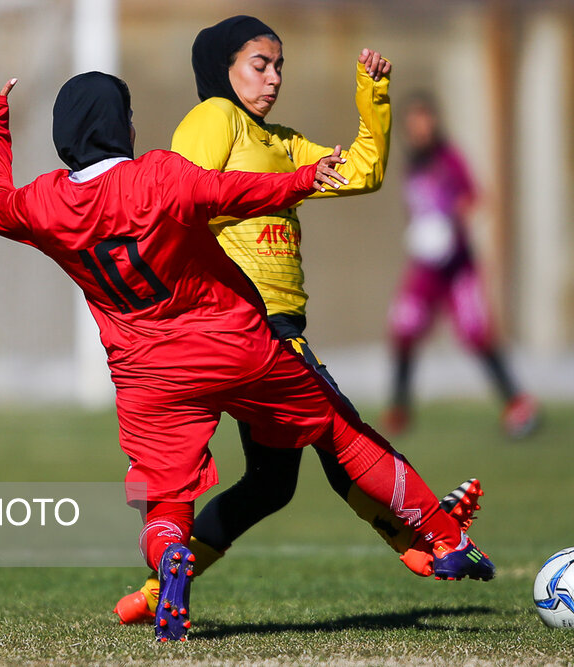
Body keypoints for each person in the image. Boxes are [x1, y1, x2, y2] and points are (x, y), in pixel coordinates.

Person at [0, 51, 494, 643]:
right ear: (122, 126)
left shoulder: (42, 203)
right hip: (235, 346)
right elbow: (228, 192)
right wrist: (300, 179)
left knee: (166, 497)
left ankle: (168, 561)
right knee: (336, 431)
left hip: (148, 376)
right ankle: (446, 540)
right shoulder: (158, 176)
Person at [114, 16, 485, 626]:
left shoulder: (282, 142)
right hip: (249, 329)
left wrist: (374, 98)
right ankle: (430, 538)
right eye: (259, 64)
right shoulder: (214, 119)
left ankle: (157, 593)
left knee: (271, 484)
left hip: (265, 331)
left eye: (279, 65)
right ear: (221, 69)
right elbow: (182, 201)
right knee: (341, 430)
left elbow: (363, 172)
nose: (274, 77)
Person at [382, 92, 541, 439]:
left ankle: (516, 401)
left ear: (434, 123)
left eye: (424, 121)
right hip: (424, 269)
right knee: (404, 329)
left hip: (457, 267)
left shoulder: (449, 159)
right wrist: (420, 233)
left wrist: (449, 224)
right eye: (413, 124)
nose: (419, 130)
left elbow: (475, 197)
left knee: (477, 332)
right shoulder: (412, 164)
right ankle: (399, 407)